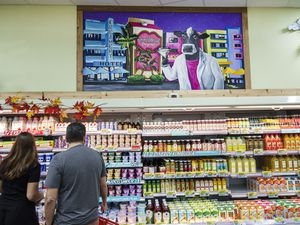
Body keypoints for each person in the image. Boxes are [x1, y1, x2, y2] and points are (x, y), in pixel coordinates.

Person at [45, 122, 107, 225]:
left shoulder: (58, 159)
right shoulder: (97, 156)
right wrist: (104, 202)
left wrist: (48, 222)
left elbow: (50, 199)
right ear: (84, 137)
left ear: (66, 138)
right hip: (91, 220)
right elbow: (103, 185)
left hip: (66, 221)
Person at [0, 132, 43, 225]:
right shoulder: (33, 165)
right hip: (22, 213)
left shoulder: (4, 163)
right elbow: (31, 195)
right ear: (32, 146)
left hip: (3, 209)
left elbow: (1, 188)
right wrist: (42, 195)